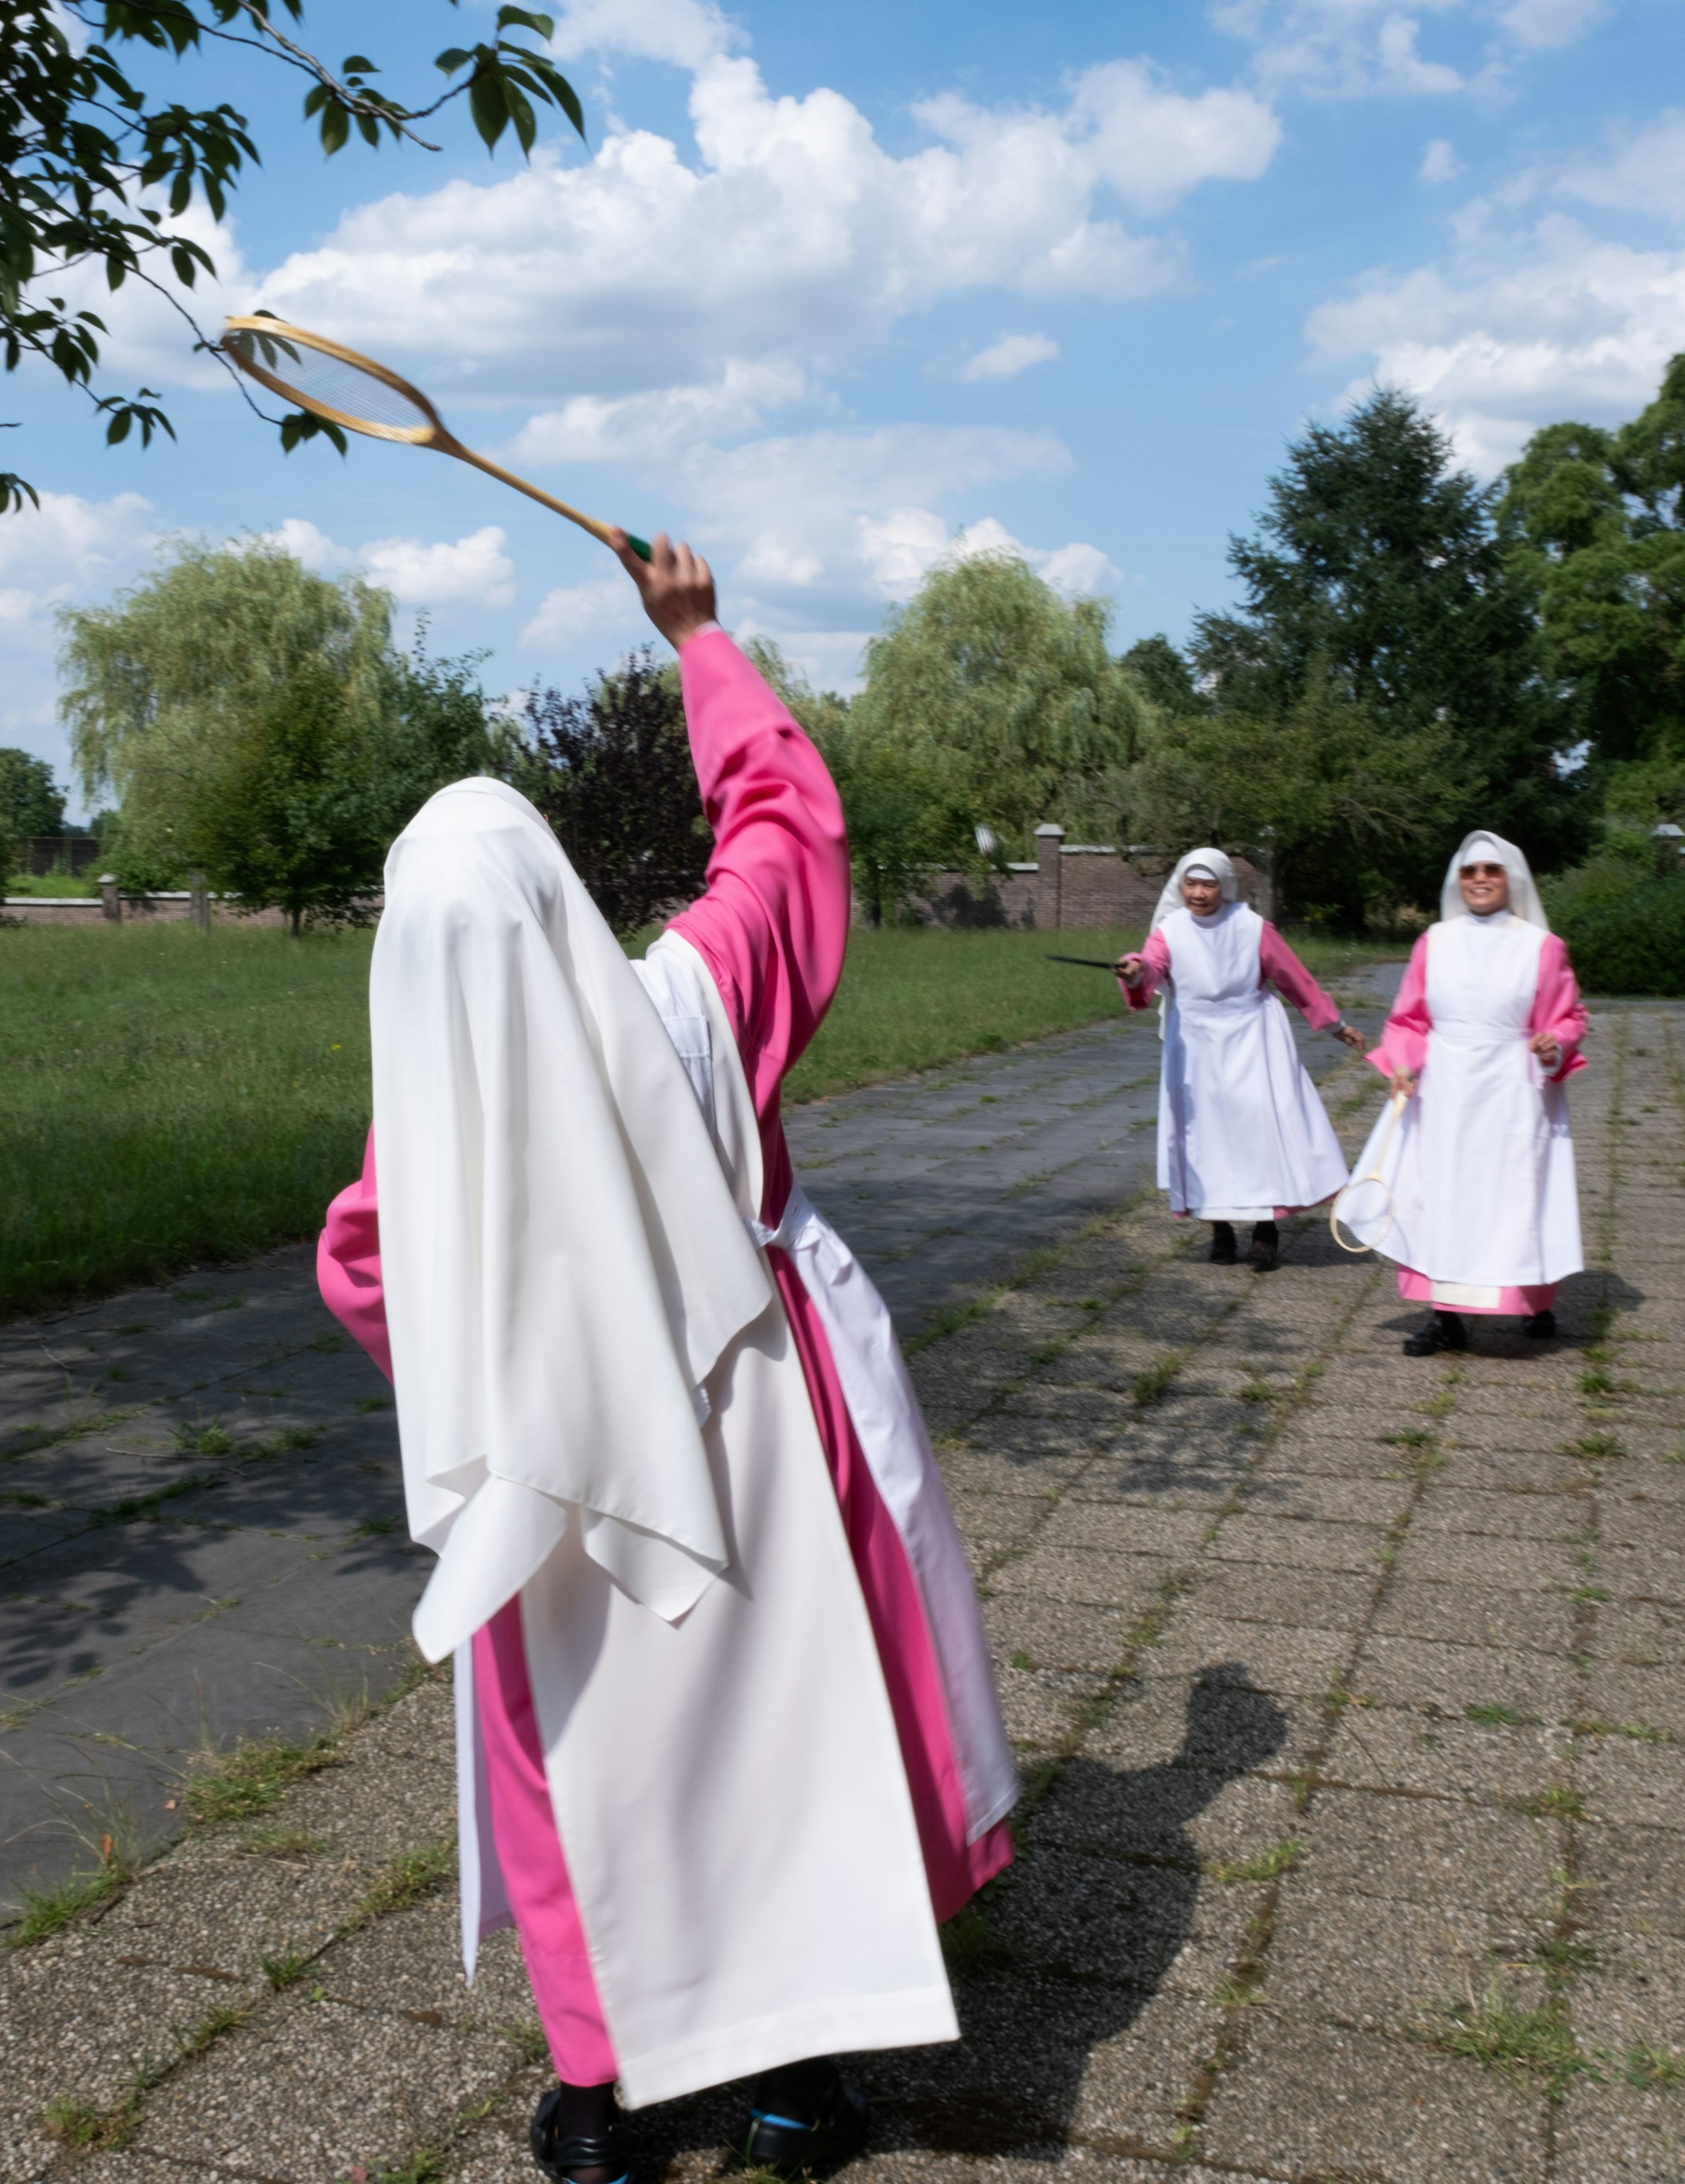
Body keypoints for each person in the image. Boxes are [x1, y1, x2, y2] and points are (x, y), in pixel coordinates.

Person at [316, 534, 1015, 2184]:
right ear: (562, 893)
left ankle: (602, 2101)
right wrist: (699, 642)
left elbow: (364, 1275)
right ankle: (795, 2077)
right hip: (768, 1425)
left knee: (580, 1772)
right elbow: (787, 829)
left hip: (554, 1483)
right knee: (797, 1724)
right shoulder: (693, 999)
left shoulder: (414, 1154)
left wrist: (510, 1369)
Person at [1340, 830, 1586, 1356]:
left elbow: (1568, 1018)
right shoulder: (1435, 941)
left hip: (1514, 1089)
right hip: (1447, 1090)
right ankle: (1445, 1315)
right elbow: (1410, 1016)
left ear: (1511, 879)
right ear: (1458, 878)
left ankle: (1533, 1299)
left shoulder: (1541, 946)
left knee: (1517, 1195)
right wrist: (1403, 1061)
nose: (1479, 880)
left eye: (1491, 871)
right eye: (1470, 871)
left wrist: (1554, 1042)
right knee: (1444, 1197)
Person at [1116, 849, 1366, 1270]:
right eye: (1191, 884)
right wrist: (1136, 970)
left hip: (1254, 1038)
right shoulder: (1169, 930)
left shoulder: (1251, 927)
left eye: (1208, 884)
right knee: (1208, 1137)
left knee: (1260, 1131)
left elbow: (1293, 978)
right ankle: (1220, 1228)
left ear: (1224, 886)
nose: (1198, 893)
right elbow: (1153, 967)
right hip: (1196, 1045)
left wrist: (1333, 1023)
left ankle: (1266, 1226)